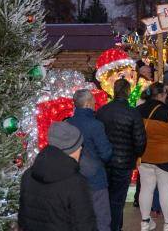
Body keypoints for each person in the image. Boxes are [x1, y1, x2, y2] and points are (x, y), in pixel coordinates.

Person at [18, 122, 97, 231]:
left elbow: (23, 220)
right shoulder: (76, 183)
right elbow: (86, 226)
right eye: (80, 146)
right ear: (72, 149)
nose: (81, 149)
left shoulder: (27, 175)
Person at [96, 79, 147, 231]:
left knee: (105, 198)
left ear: (114, 90)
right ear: (128, 92)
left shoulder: (102, 111)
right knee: (118, 200)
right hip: (124, 162)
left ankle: (106, 226)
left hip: (104, 161)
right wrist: (136, 154)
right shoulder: (133, 113)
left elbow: (98, 136)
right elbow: (140, 140)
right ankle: (115, 227)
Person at [136, 82, 168, 231]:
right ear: (162, 95)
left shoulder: (138, 110)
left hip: (144, 156)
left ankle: (145, 222)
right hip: (167, 158)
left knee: (146, 189)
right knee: (166, 191)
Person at [67, 89, 113, 231]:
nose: (95, 103)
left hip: (73, 177)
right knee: (102, 218)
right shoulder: (96, 125)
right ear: (87, 104)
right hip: (95, 179)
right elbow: (106, 153)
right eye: (93, 100)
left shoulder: (68, 123)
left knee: (78, 218)